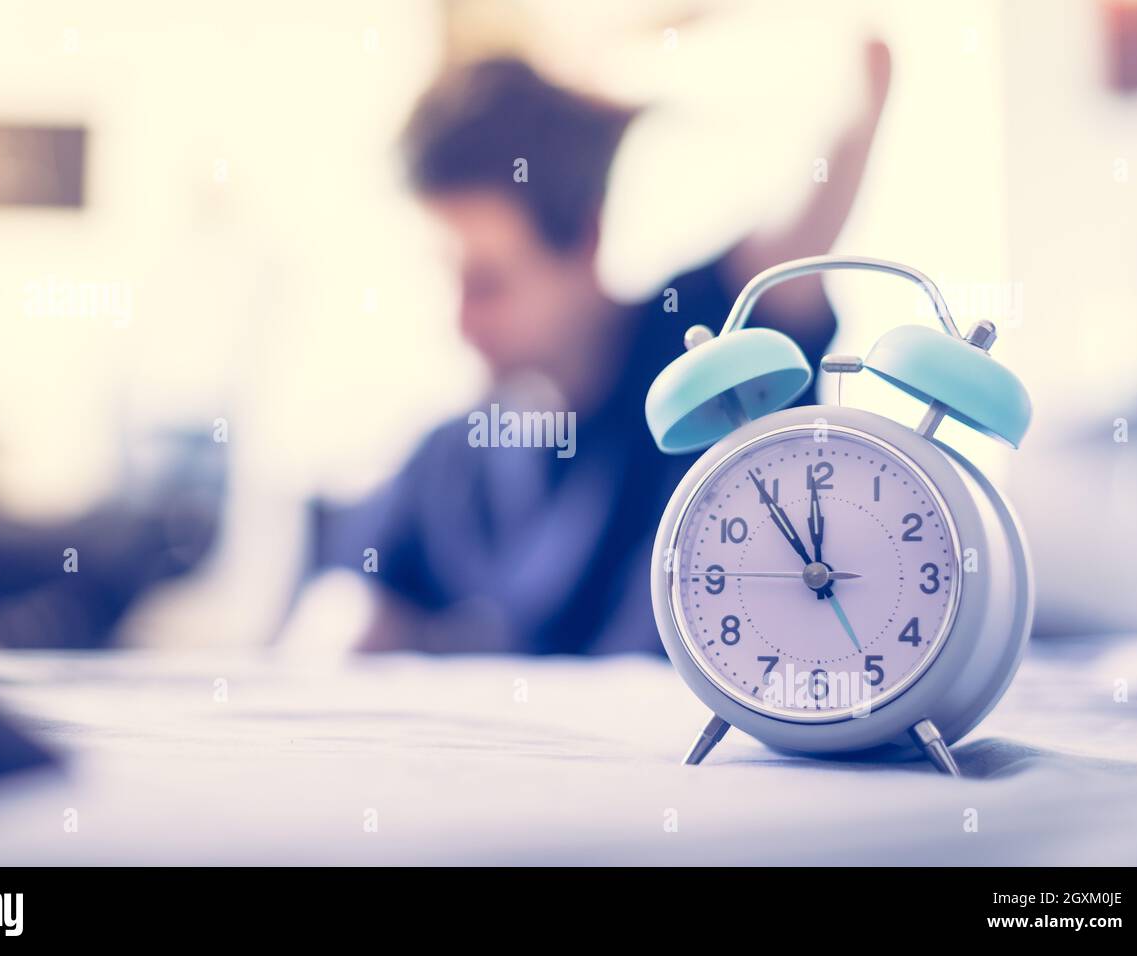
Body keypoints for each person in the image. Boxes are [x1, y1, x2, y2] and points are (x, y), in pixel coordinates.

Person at [305, 42, 893, 654]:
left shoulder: (707, 345)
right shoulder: (450, 458)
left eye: (487, 284)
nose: (459, 320)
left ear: (585, 241)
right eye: (445, 277)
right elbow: (345, 614)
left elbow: (862, 78)